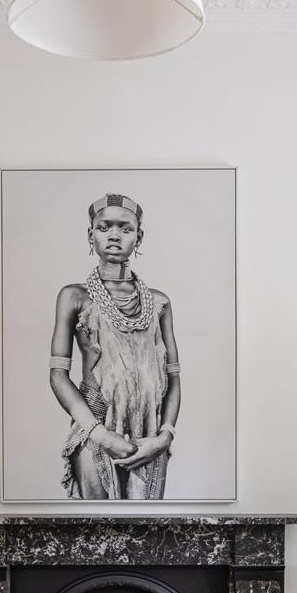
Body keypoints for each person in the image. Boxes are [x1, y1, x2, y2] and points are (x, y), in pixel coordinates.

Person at [49, 194, 182, 499]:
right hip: (95, 426)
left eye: (125, 228)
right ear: (90, 235)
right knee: (98, 523)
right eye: (104, 227)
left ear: (139, 237)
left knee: (145, 525)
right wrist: (101, 434)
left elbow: (173, 377)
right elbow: (57, 375)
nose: (114, 235)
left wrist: (164, 436)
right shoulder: (74, 297)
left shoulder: (159, 302)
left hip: (149, 434)